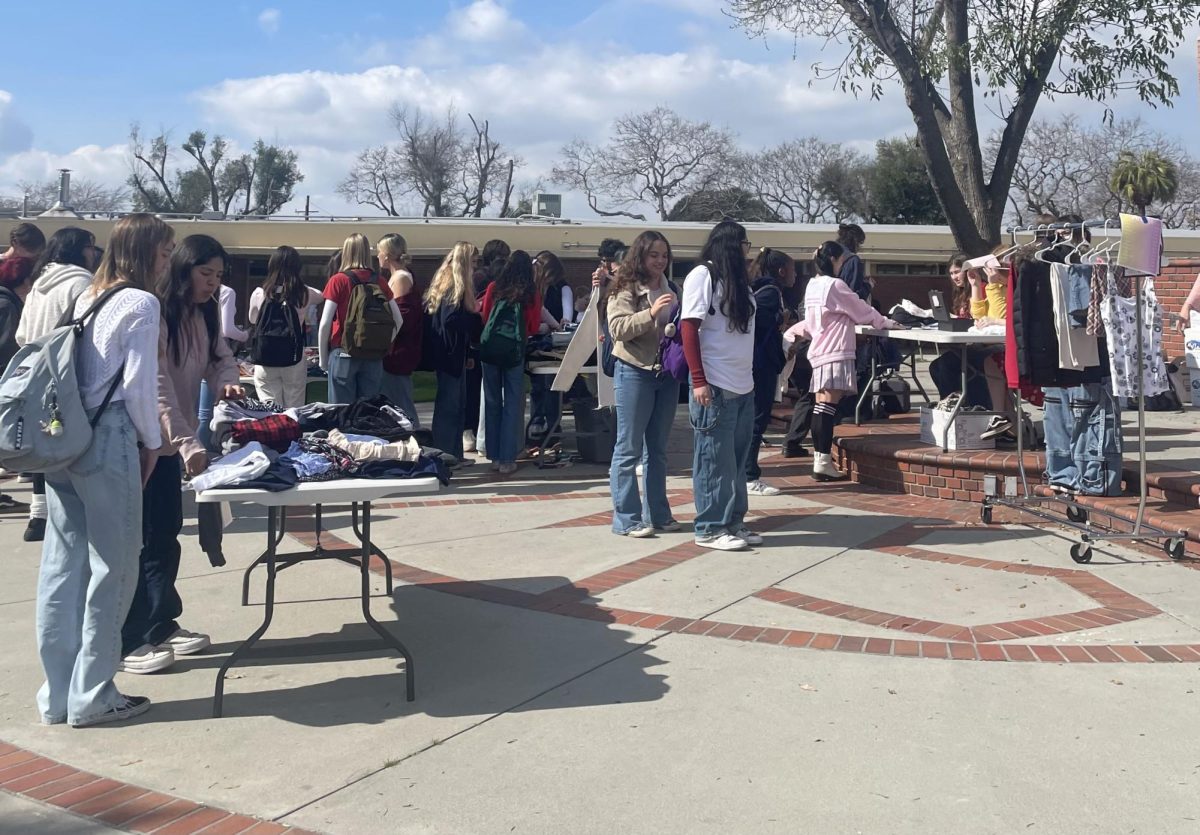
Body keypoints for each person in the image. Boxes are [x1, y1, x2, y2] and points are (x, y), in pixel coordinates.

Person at [36, 213, 170, 728]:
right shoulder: (140, 301)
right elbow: (138, 385)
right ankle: (94, 692)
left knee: (62, 567)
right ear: (145, 252)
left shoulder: (87, 295)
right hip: (110, 437)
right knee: (114, 565)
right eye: (163, 252)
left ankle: (59, 693)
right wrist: (153, 445)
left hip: (65, 438)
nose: (167, 262)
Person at [121, 234, 244, 675]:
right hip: (142, 446)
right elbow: (156, 388)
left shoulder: (206, 312)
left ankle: (161, 623)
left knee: (165, 534)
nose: (212, 284)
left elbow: (220, 357)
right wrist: (188, 441)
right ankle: (128, 637)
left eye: (218, 276)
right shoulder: (154, 311)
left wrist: (227, 378)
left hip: (173, 445)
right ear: (181, 268)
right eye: (205, 274)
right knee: (138, 541)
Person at [785, 241, 901, 482]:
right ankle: (822, 462)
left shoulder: (813, 285)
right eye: (841, 260)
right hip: (835, 349)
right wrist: (885, 321)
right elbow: (860, 309)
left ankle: (821, 461)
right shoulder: (835, 285)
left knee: (820, 407)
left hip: (819, 348)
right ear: (834, 260)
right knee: (826, 408)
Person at [15, 227, 100, 541]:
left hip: (32, 370)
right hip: (64, 375)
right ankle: (62, 515)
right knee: (67, 445)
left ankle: (38, 513)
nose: (94, 253)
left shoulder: (39, 283)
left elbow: (22, 334)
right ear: (79, 249)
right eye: (91, 247)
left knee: (42, 442)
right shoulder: (82, 282)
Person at [680, 220, 759, 552]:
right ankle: (710, 527)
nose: (748, 252)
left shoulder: (738, 282)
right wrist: (699, 380)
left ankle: (733, 521)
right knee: (714, 459)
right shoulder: (703, 276)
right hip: (714, 385)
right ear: (732, 245)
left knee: (737, 461)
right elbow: (688, 327)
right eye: (745, 245)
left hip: (743, 385)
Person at [607, 231, 680, 537]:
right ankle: (626, 519)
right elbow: (617, 328)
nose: (660, 261)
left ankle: (658, 514)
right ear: (640, 256)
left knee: (658, 450)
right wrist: (649, 314)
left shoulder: (672, 288)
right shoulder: (624, 288)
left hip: (666, 374)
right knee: (628, 448)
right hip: (634, 371)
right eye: (654, 255)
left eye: (664, 255)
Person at [480, 250, 551, 474]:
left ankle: (493, 456)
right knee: (512, 404)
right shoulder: (531, 293)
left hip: (490, 350)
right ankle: (508, 458)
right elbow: (531, 327)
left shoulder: (494, 287)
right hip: (514, 353)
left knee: (492, 402)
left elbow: (484, 318)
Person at [318, 233, 403, 404]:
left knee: (341, 410)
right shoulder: (380, 281)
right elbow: (399, 320)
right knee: (368, 413)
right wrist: (382, 343)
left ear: (347, 252)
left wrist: (323, 359)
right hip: (373, 355)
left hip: (343, 352)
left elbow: (325, 322)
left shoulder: (338, 280)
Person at [746, 247, 797, 496]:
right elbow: (756, 323)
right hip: (760, 364)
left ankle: (745, 472)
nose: (795, 275)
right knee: (757, 418)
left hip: (756, 363)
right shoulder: (770, 294)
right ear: (781, 271)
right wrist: (781, 320)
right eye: (793, 269)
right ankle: (749, 475)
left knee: (755, 418)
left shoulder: (760, 290)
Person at [248, 245, 322, 407]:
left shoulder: (259, 293)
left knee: (270, 410)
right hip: (293, 358)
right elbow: (322, 296)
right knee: (293, 409)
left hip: (265, 359)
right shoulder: (304, 293)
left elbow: (253, 320)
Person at [425, 242, 480, 459]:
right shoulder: (453, 287)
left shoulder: (446, 283)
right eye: (474, 262)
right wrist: (475, 320)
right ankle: (445, 453)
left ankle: (454, 453)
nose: (476, 267)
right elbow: (451, 321)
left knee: (457, 406)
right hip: (449, 355)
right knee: (450, 407)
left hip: (454, 354)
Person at [930, 253, 997, 409]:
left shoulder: (982, 288)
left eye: (957, 271)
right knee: (936, 366)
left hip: (987, 345)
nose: (954, 276)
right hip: (970, 344)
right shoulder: (960, 294)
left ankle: (955, 406)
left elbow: (978, 317)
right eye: (951, 273)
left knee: (946, 365)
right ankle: (952, 403)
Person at [465, 239, 510, 453]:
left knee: (476, 388)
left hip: (477, 337)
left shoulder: (479, 277)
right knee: (484, 390)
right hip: (489, 337)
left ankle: (471, 431)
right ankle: (477, 432)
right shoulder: (492, 278)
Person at [379, 233, 423, 427]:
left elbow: (399, 318)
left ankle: (416, 437)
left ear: (387, 255)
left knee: (401, 402)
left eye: (379, 251)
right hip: (396, 350)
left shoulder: (400, 278)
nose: (377, 255)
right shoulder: (398, 276)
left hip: (398, 351)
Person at [528, 250, 572, 442]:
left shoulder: (560, 288)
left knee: (551, 385)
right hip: (536, 340)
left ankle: (553, 424)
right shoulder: (532, 289)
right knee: (538, 385)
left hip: (551, 342)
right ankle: (538, 421)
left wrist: (560, 323)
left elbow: (563, 315)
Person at [836, 223, 869, 301]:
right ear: (855, 241)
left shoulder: (826, 254)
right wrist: (868, 285)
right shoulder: (853, 260)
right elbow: (854, 295)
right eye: (859, 244)